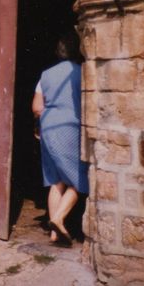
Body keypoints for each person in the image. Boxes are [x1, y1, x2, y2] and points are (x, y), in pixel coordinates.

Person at [32, 30, 89, 246]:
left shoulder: (45, 75)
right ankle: (57, 219)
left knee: (55, 181)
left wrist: (40, 125)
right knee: (79, 178)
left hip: (48, 128)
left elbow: (37, 107)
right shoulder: (82, 73)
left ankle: (55, 234)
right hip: (71, 128)